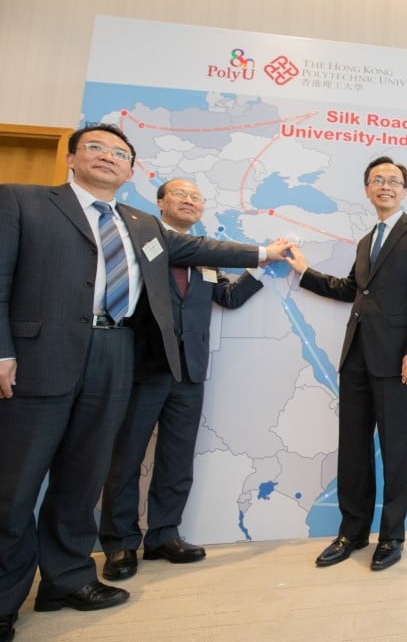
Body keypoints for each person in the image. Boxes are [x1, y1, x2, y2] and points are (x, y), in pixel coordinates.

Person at [0, 123, 292, 639]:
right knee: (16, 483)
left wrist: (263, 254)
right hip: (40, 357)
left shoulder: (140, 225)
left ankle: (66, 579)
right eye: (96, 148)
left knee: (81, 477)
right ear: (71, 157)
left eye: (120, 153)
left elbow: (202, 250)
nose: (108, 157)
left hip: (116, 353)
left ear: (131, 169)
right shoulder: (24, 202)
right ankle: (4, 598)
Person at [99, 178, 268, 582]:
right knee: (126, 458)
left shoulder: (206, 257)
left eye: (197, 197)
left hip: (189, 372)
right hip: (146, 366)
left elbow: (225, 298)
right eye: (181, 194)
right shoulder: (139, 242)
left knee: (177, 457)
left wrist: (264, 270)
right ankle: (120, 543)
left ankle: (164, 534)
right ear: (160, 203)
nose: (190, 201)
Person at [288, 156, 407, 571]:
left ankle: (391, 537)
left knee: (395, 451)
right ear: (367, 189)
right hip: (355, 355)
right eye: (377, 180)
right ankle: (352, 532)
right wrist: (305, 272)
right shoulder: (366, 241)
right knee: (353, 451)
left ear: (404, 189)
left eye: (393, 180)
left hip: (398, 359)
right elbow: (351, 290)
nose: (385, 186)